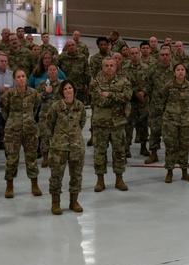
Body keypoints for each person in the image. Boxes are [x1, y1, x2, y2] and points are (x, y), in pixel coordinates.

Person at [89, 57, 131, 192]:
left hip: (117, 124)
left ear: (116, 67)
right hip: (101, 123)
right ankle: (100, 180)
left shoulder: (124, 81)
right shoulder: (95, 83)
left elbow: (128, 97)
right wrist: (116, 97)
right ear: (102, 67)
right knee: (99, 153)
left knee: (119, 152)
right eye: (106, 65)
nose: (109, 68)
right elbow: (98, 100)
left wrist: (110, 95)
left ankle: (119, 179)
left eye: (111, 65)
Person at [45, 80, 86, 214]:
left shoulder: (80, 106)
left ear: (74, 90)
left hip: (76, 146)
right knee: (56, 175)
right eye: (66, 89)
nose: (68, 90)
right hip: (59, 147)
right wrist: (56, 138)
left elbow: (82, 122)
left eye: (70, 88)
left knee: (76, 175)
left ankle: (74, 201)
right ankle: (55, 203)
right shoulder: (56, 107)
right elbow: (49, 124)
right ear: (62, 92)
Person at [0, 69, 42, 198]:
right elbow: (4, 111)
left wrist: (27, 119)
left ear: (26, 78)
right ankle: (9, 186)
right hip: (13, 131)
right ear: (14, 79)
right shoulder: (9, 95)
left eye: (23, 76)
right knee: (12, 159)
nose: (21, 79)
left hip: (30, 130)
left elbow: (35, 109)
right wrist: (14, 121)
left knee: (31, 158)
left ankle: (34, 185)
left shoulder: (34, 94)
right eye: (18, 77)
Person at [161, 62, 189, 183]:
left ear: (185, 72)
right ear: (174, 72)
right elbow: (162, 101)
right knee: (170, 146)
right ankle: (169, 171)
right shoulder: (168, 86)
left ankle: (184, 172)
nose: (180, 71)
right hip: (171, 121)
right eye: (178, 70)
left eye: (182, 69)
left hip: (186, 121)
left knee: (184, 147)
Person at [143, 45, 174, 165]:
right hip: (156, 106)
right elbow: (149, 85)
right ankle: (153, 153)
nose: (165, 57)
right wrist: (143, 93)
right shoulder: (153, 69)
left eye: (167, 54)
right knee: (155, 130)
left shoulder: (176, 69)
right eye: (162, 55)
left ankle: (170, 155)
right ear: (159, 56)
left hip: (172, 107)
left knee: (171, 132)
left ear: (171, 56)